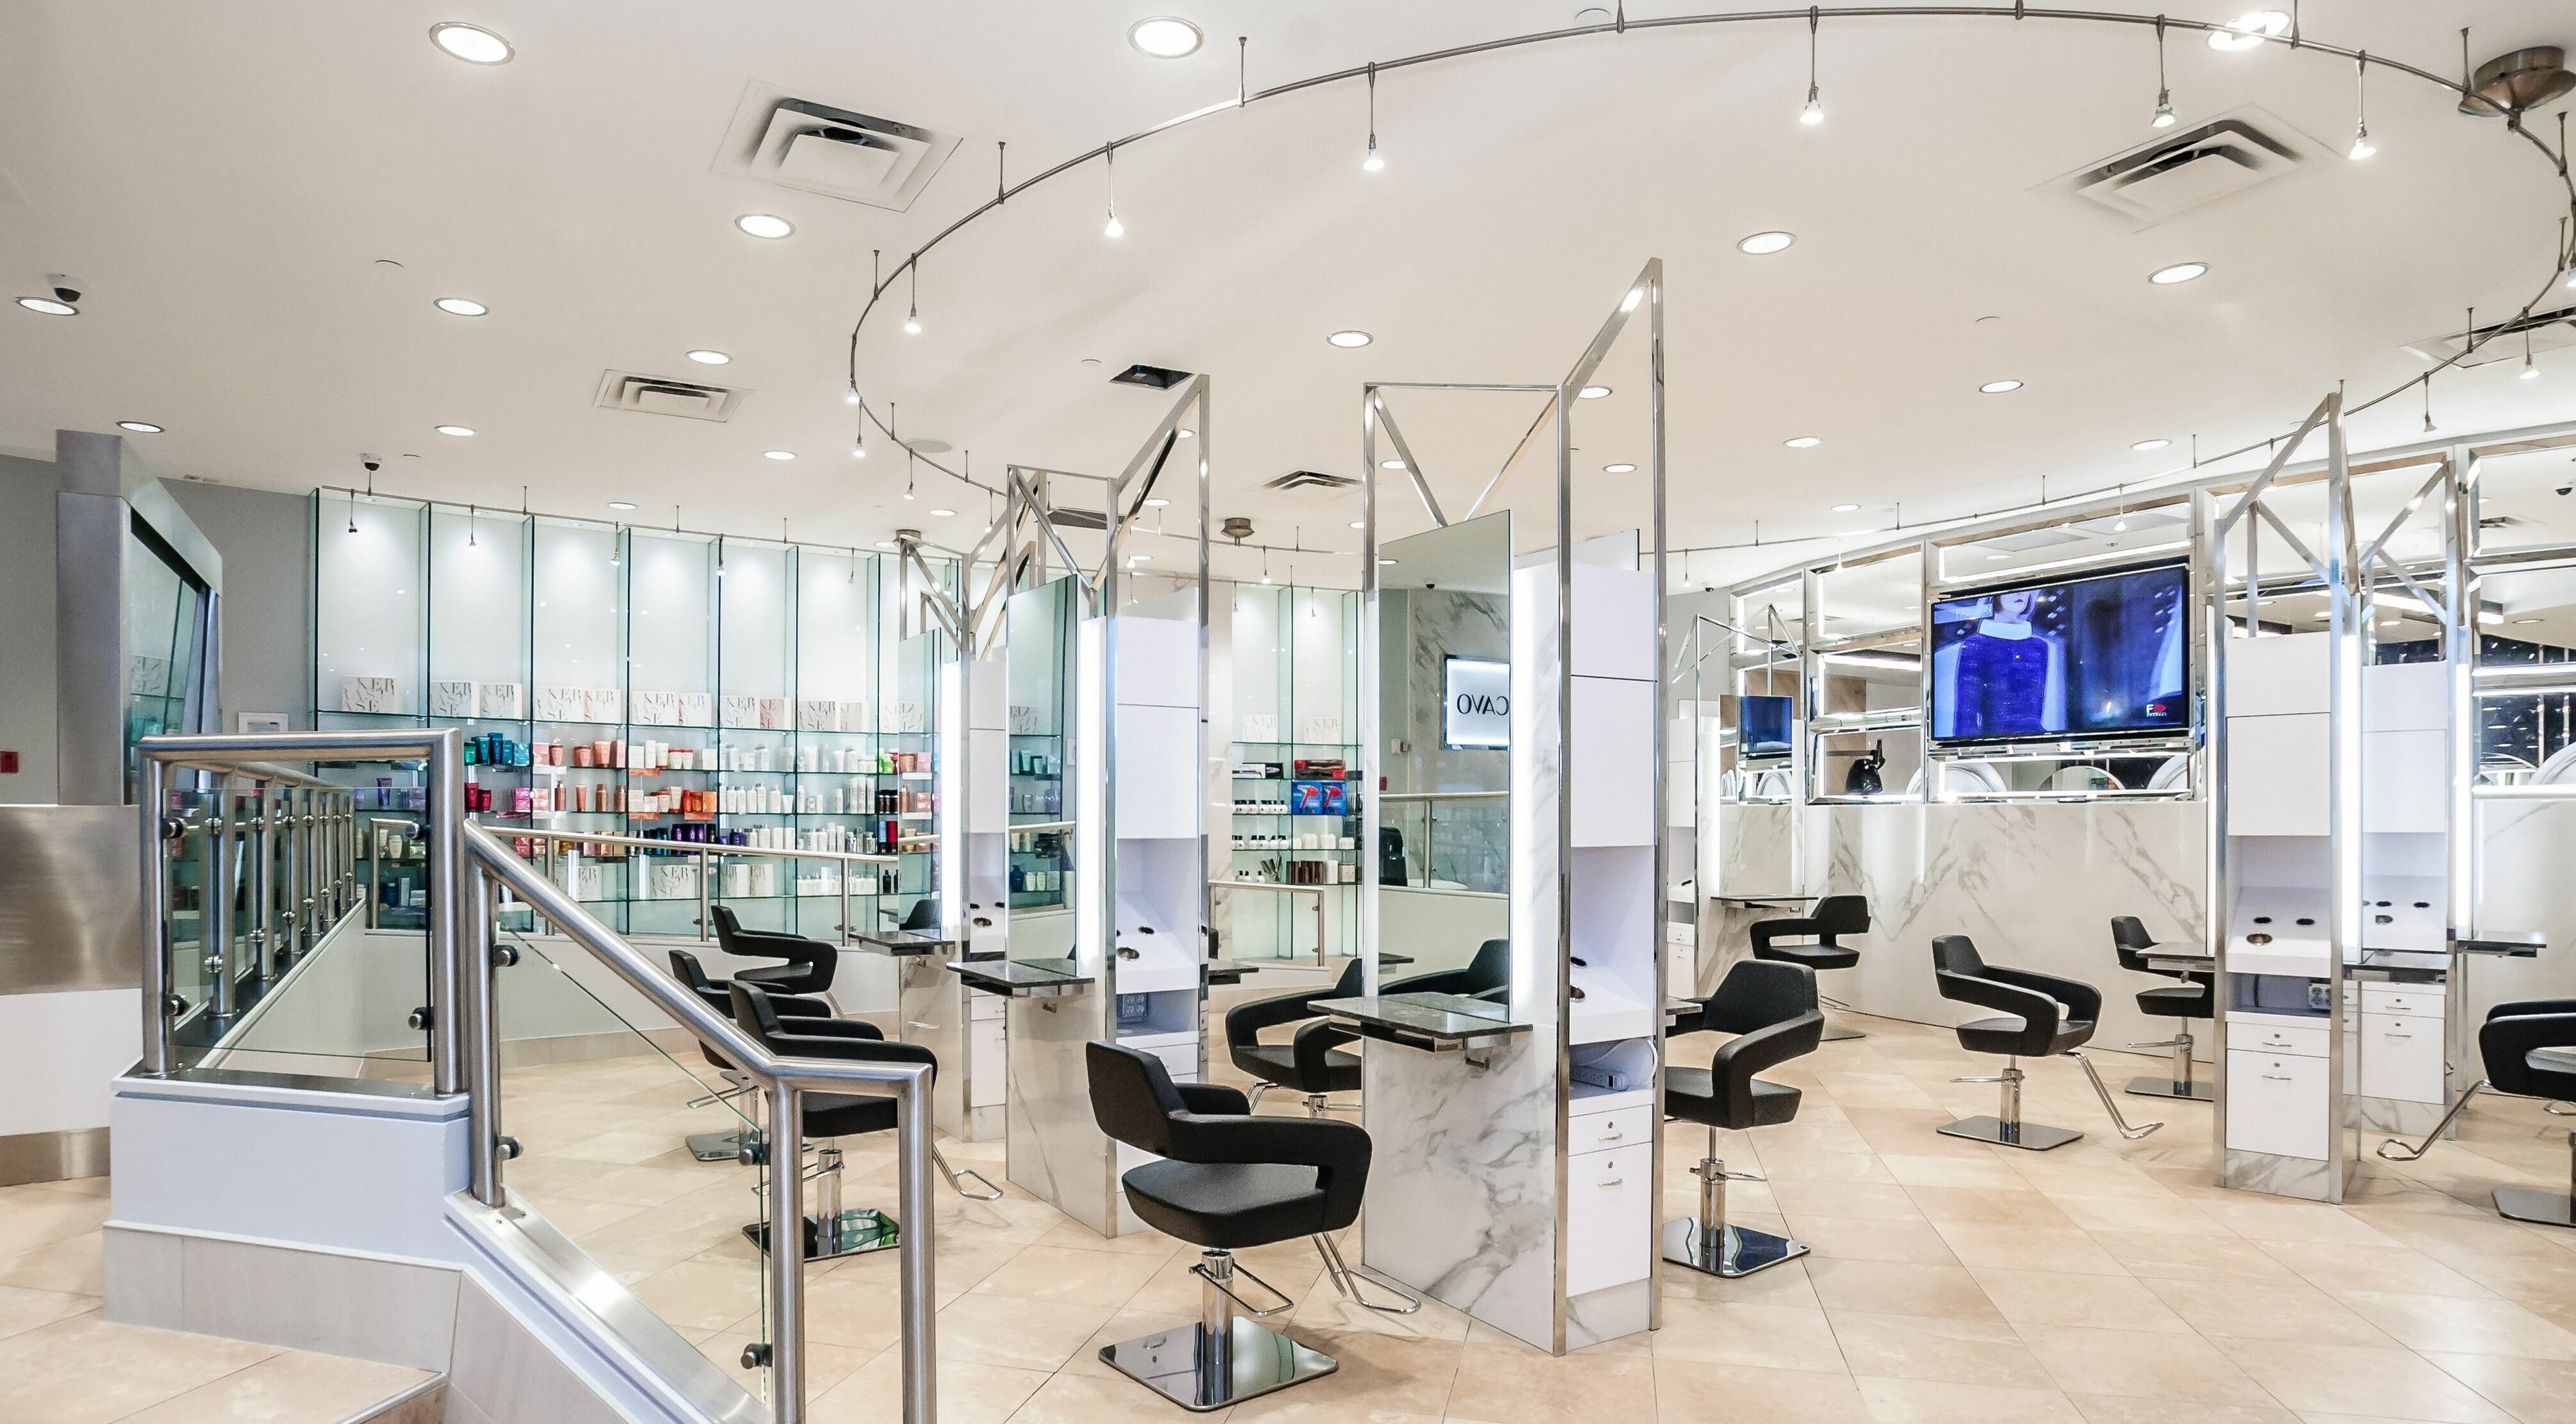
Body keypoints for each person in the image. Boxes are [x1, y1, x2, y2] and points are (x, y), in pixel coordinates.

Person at [1933, 588, 2065, 738]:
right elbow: (1966, 716)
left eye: (2025, 590)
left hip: (2034, 744)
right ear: (1997, 596)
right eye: (2012, 590)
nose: (2020, 594)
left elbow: (2036, 713)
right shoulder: (1976, 645)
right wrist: (1971, 748)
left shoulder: (2039, 647)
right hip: (1993, 744)